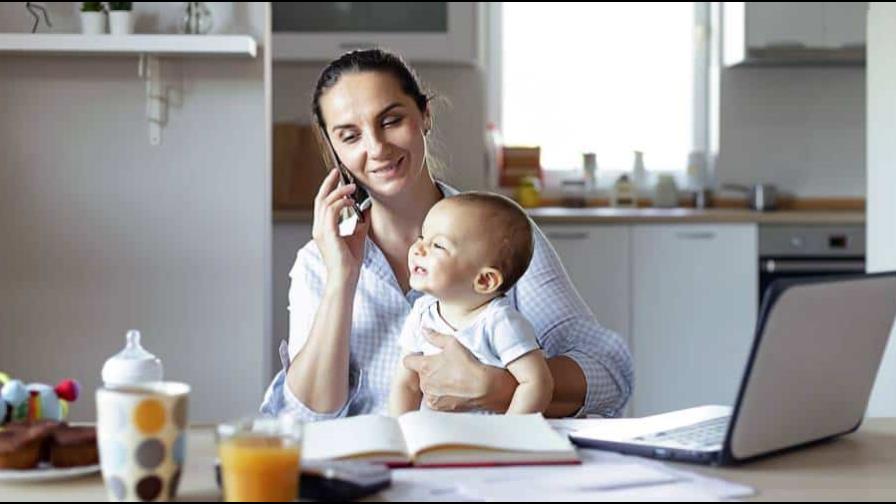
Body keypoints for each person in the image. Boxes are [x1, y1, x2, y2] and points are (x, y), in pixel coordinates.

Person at [260, 48, 633, 421]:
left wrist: (500, 387)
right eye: (350, 136)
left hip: (487, 470)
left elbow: (610, 373)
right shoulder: (318, 261)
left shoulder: (498, 234)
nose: (376, 148)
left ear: (425, 115)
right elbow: (305, 419)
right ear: (333, 148)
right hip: (377, 469)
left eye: (391, 121)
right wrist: (341, 278)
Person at [390, 193, 552, 416]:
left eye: (437, 245)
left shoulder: (500, 322)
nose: (418, 248)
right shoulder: (422, 313)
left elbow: (536, 383)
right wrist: (400, 436)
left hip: (485, 444)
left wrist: (512, 438)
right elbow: (406, 384)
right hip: (434, 441)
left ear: (484, 280)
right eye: (422, 237)